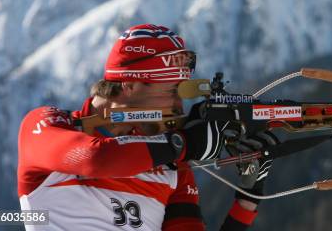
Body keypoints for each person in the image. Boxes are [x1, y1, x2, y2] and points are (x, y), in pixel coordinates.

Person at [17, 24, 273, 230]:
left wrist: (247, 199)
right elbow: (96, 158)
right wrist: (184, 144)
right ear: (129, 85)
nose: (179, 105)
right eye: (172, 91)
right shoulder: (46, 124)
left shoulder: (171, 161)